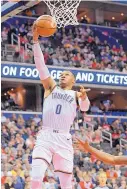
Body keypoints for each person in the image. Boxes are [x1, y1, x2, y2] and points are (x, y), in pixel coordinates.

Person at [31, 23, 90, 189]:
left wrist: (84, 97)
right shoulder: (51, 86)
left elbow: (85, 108)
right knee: (36, 177)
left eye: (67, 75)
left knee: (66, 184)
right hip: (46, 135)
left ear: (73, 81)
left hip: (64, 138)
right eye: (61, 74)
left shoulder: (76, 94)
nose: (62, 76)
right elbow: (40, 65)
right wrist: (35, 41)